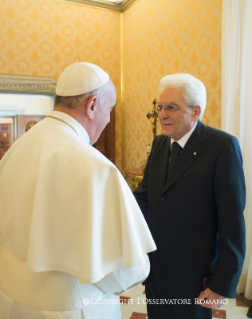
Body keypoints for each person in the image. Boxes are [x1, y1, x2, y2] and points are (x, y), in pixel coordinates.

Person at [0, 62, 156, 319]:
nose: (108, 118)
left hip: (14, 299)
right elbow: (122, 273)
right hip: (71, 306)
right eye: (109, 109)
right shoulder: (96, 168)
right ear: (92, 105)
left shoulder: (19, 146)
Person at [133, 73, 246, 319]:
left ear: (195, 112)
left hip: (194, 276)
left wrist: (221, 285)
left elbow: (232, 222)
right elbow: (144, 198)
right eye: (161, 106)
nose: (161, 114)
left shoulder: (222, 147)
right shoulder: (160, 143)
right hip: (157, 268)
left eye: (171, 107)